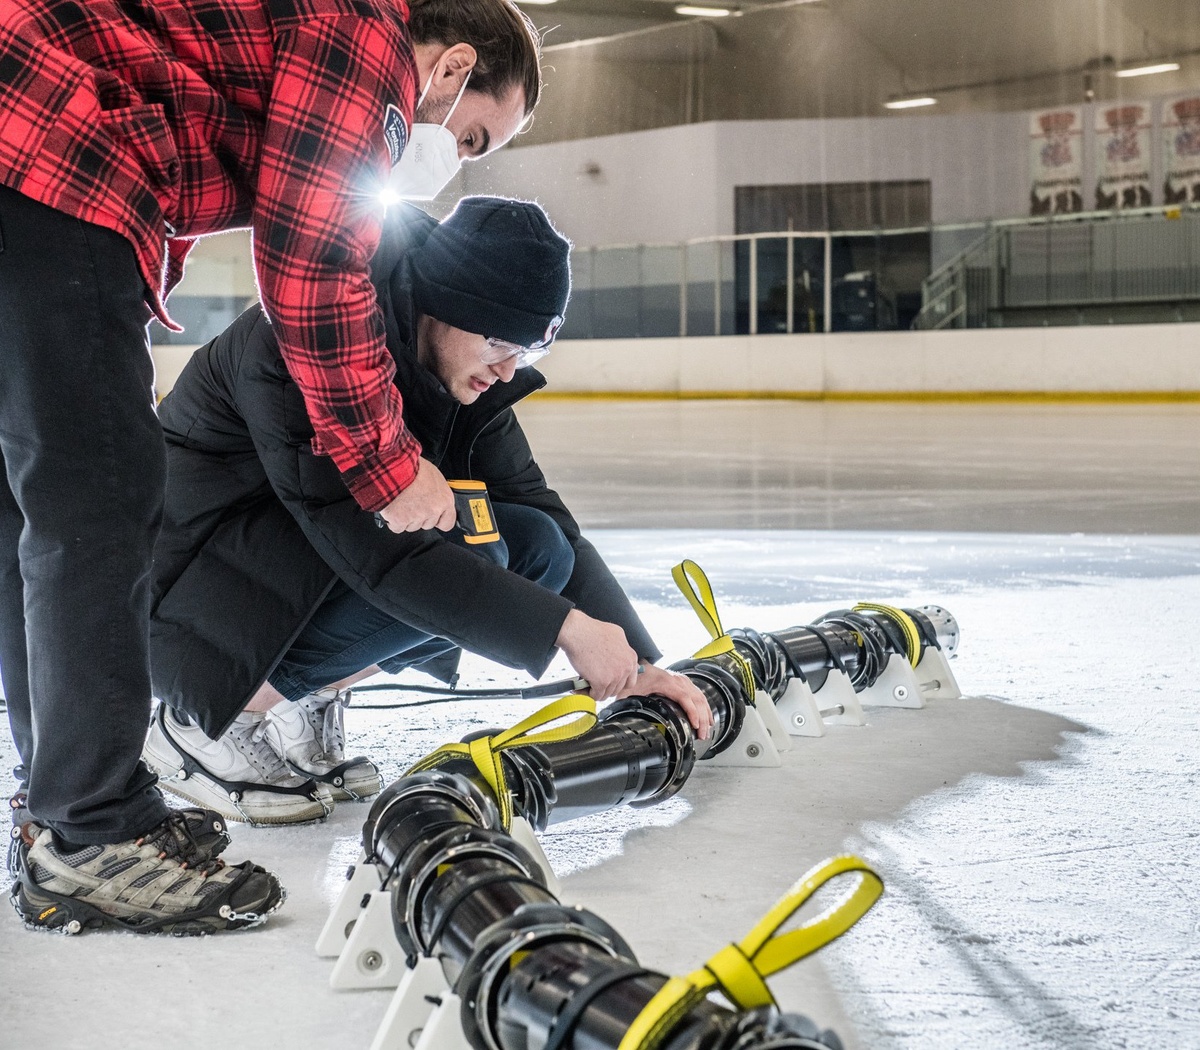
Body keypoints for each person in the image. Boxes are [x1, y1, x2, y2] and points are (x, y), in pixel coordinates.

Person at [0, 0, 543, 934]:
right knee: (98, 497)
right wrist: (387, 467)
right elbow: (313, 263)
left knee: (34, 505)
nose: (451, 161)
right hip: (51, 155)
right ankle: (90, 831)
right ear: (449, 70)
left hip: (31, 147)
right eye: (473, 140)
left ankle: (64, 801)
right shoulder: (366, 34)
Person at [142, 196, 714, 826]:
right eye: (496, 339)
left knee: (534, 546)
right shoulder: (308, 351)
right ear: (440, 305)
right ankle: (204, 721)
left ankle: (299, 697)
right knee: (469, 552)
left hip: (282, 567)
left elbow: (536, 505)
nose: (507, 368)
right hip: (185, 588)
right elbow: (374, 554)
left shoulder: (459, 372)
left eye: (528, 348)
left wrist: (635, 662)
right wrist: (567, 630)